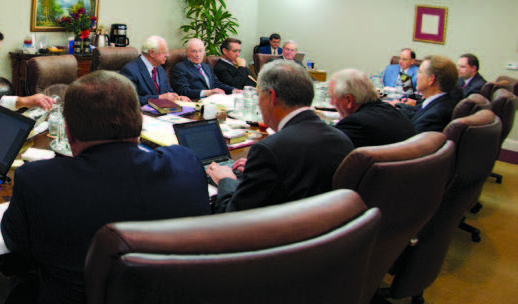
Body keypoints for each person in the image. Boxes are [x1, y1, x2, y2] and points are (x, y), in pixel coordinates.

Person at [0, 70, 211, 304]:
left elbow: (17, 245)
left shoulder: (38, 180)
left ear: (67, 130)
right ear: (139, 121)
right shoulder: (186, 163)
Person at [207, 60, 354, 213]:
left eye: (259, 95)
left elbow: (234, 215)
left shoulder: (269, 150)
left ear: (271, 96)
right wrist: (256, 171)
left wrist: (226, 179)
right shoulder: (342, 139)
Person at [328, 69, 415, 148]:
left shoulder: (355, 125)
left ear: (349, 100)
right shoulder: (391, 111)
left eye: (332, 98)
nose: (331, 103)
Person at [393, 55, 458, 133]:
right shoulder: (439, 100)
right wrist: (392, 108)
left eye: (420, 72)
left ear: (431, 79)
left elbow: (411, 141)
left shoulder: (434, 116)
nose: (417, 77)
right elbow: (416, 111)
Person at [120, 35, 190, 105]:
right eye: (164, 52)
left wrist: (177, 98)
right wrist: (159, 98)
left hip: (163, 112)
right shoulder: (130, 70)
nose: (167, 55)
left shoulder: (159, 68)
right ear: (152, 53)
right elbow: (131, 99)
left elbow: (167, 91)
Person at [170, 38, 237, 99]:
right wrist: (208, 93)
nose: (197, 55)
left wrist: (233, 90)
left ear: (204, 52)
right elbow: (183, 91)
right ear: (187, 53)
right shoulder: (180, 68)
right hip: (196, 102)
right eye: (193, 51)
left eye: (200, 51)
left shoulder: (207, 67)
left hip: (213, 101)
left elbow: (217, 84)